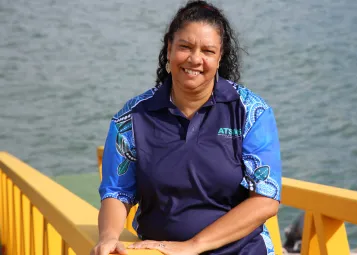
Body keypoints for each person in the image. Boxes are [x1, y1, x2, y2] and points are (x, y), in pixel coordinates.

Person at [91, 1, 282, 254]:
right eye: (185, 47)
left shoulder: (250, 112)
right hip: (159, 252)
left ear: (220, 56)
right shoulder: (132, 118)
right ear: (169, 48)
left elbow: (265, 200)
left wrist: (192, 246)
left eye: (208, 51)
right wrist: (108, 236)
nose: (195, 59)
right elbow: (117, 192)